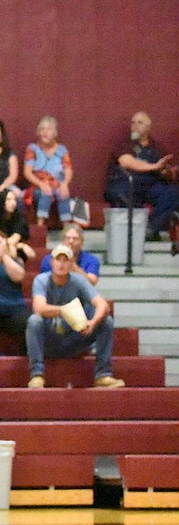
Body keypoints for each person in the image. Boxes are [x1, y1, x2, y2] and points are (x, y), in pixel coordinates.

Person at [26, 244, 121, 389]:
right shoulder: (41, 280)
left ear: (72, 264)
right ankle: (37, 375)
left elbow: (103, 305)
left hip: (75, 338)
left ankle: (103, 374)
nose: (62, 264)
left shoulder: (79, 280)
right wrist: (65, 310)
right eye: (58, 260)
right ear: (51, 262)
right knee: (34, 321)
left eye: (66, 260)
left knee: (106, 321)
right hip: (50, 340)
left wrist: (93, 323)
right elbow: (39, 308)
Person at [104, 110, 179, 241]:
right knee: (119, 192)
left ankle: (150, 229)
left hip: (149, 185)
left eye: (140, 122)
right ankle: (134, 233)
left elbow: (165, 170)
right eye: (133, 122)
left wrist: (166, 172)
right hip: (127, 183)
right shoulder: (125, 144)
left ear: (149, 127)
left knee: (173, 193)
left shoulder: (156, 147)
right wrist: (154, 166)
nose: (135, 125)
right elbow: (127, 162)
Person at [23, 115, 74, 227]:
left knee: (63, 193)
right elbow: (27, 172)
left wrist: (65, 183)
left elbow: (68, 170)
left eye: (49, 129)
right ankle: (40, 227)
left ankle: (67, 227)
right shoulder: (32, 149)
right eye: (42, 129)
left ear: (55, 133)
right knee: (46, 192)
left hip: (57, 185)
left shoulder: (62, 150)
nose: (45, 132)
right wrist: (41, 184)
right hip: (37, 186)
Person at [0, 188, 36, 262]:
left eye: (14, 200)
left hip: (13, 248)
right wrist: (21, 245)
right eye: (9, 200)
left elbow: (13, 240)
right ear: (2, 201)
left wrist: (17, 245)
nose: (13, 203)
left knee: (12, 248)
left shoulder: (20, 218)